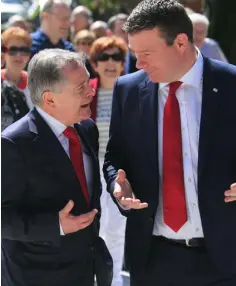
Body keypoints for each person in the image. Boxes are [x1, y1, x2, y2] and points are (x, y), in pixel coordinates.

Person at [103, 0, 236, 286]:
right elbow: (115, 157)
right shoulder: (128, 90)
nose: (138, 64)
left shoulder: (231, 85)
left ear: (180, 42)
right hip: (153, 260)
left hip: (226, 258)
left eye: (147, 53)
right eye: (135, 54)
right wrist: (117, 183)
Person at [1, 49, 108, 286]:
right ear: (49, 99)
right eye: (81, 88)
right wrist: (54, 226)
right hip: (36, 276)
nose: (92, 91)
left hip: (85, 270)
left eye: (89, 83)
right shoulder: (12, 144)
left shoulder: (86, 128)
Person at [89, 36, 127, 286]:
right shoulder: (85, 89)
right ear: (94, 63)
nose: (111, 62)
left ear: (124, 63)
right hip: (88, 168)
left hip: (119, 170)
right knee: (92, 228)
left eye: (117, 57)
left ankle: (113, 282)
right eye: (104, 57)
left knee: (115, 231)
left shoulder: (133, 89)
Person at [1, 27, 33, 110]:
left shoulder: (36, 83)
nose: (19, 55)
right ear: (3, 53)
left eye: (24, 50)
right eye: (13, 50)